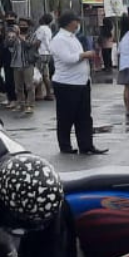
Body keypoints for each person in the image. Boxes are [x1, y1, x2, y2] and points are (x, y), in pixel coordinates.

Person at [50, 11, 107, 155]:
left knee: (84, 117)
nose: (78, 24)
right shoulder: (59, 39)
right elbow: (67, 59)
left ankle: (86, 145)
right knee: (66, 117)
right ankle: (65, 146)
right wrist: (85, 55)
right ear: (70, 23)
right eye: (76, 21)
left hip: (81, 82)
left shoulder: (73, 37)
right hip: (67, 84)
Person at [7, 17, 40, 114]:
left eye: (24, 25)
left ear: (28, 26)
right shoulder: (14, 35)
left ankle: (29, 105)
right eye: (20, 25)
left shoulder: (32, 35)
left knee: (29, 86)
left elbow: (29, 45)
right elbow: (8, 45)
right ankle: (20, 104)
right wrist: (10, 37)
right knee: (18, 87)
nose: (22, 26)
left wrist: (19, 36)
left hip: (27, 63)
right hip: (16, 64)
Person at [0, 12, 19, 108]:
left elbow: (12, 41)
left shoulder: (17, 29)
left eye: (12, 17)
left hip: (14, 57)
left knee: (13, 80)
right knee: (7, 79)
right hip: (5, 56)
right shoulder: (3, 29)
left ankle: (15, 99)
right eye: (8, 17)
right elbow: (2, 43)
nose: (9, 18)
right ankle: (9, 98)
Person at [35, 13, 54, 101]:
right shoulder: (48, 29)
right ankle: (49, 93)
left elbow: (38, 41)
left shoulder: (41, 29)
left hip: (40, 53)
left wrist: (33, 50)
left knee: (38, 74)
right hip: (47, 53)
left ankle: (39, 94)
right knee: (45, 75)